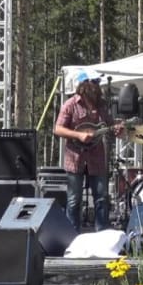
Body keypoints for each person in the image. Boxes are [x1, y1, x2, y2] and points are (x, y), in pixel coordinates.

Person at [54, 69, 123, 232]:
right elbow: (58, 128)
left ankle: (101, 235)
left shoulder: (102, 105)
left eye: (98, 83)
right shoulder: (70, 104)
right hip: (75, 158)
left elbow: (110, 126)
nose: (98, 86)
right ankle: (72, 236)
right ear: (85, 84)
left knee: (101, 198)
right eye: (95, 82)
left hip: (96, 158)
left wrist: (118, 130)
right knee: (73, 200)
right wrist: (78, 135)